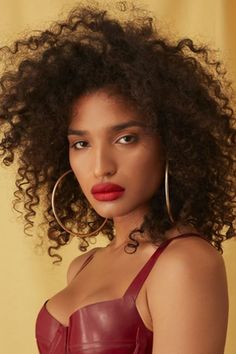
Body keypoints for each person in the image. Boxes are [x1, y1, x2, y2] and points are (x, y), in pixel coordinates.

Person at [0, 2, 234, 354]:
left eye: (126, 138)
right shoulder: (83, 267)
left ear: (171, 142)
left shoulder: (185, 263)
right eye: (81, 143)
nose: (100, 166)